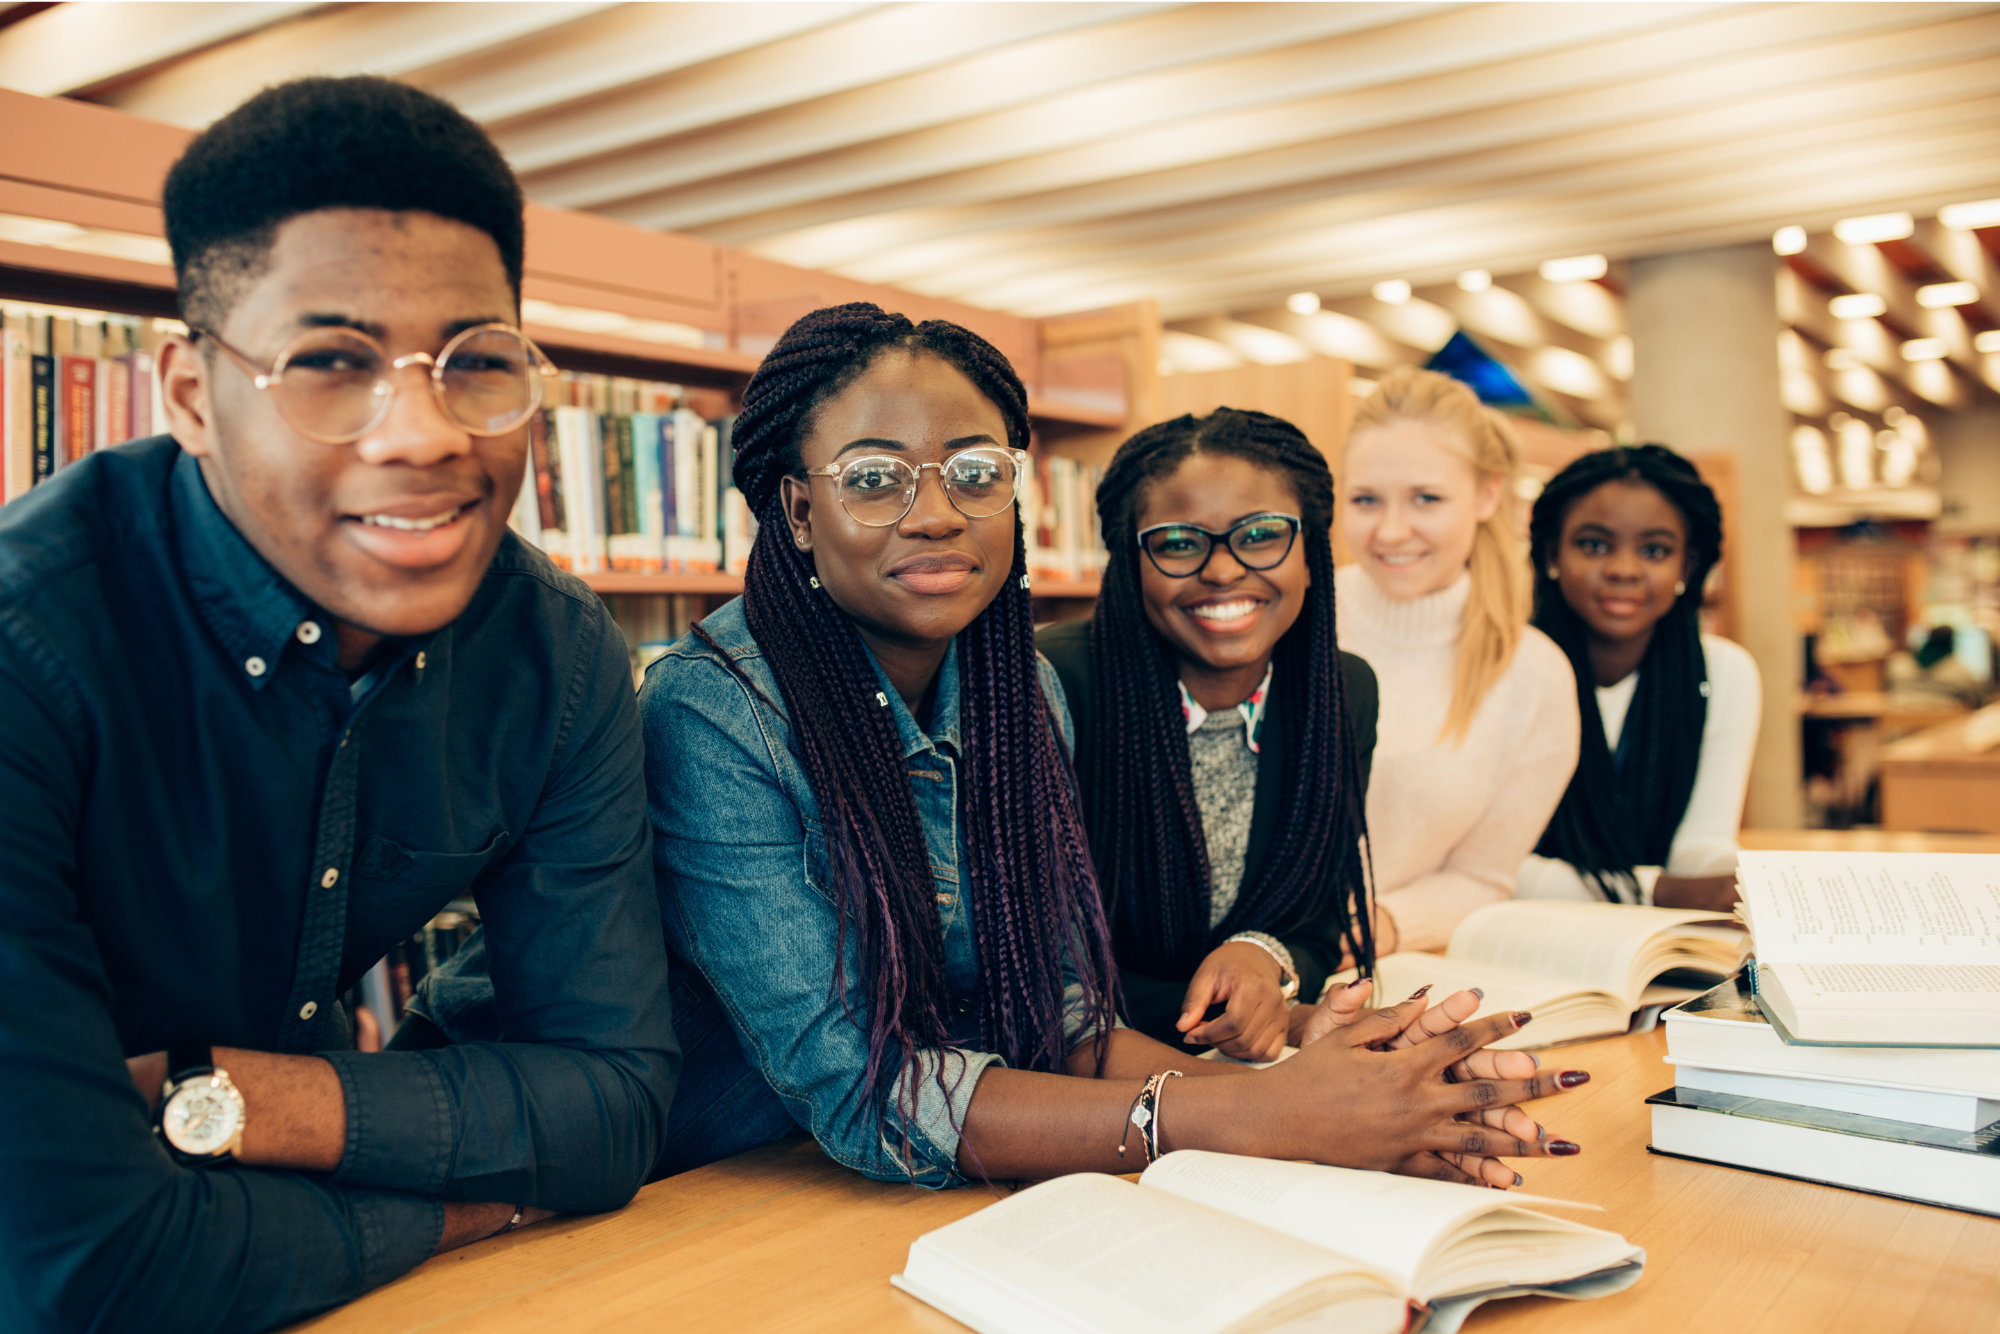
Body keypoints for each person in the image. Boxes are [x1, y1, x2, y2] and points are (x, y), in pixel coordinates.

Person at [0, 78, 678, 1333]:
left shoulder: (556, 652)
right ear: (192, 396)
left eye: (476, 362)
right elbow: (79, 1269)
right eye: (330, 363)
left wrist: (225, 1098)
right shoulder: (27, 653)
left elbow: (614, 1103)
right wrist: (472, 1206)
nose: (422, 434)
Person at [645, 303, 1584, 1194]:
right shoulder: (716, 712)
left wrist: (1334, 1111)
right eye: (874, 479)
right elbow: (870, 1087)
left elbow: (1052, 1007)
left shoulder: (1019, 693)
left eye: (974, 473)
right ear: (800, 513)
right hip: (710, 1183)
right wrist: (1267, 1118)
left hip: (911, 1174)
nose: (934, 514)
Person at [1040, 408, 1378, 1063]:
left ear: (1313, 553)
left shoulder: (1341, 692)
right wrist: (1273, 1013)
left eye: (1260, 535)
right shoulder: (1052, 684)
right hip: (1086, 1081)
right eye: (1178, 543)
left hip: (1241, 1068)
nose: (1223, 571)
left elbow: (1317, 918)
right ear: (1128, 563)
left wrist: (1261, 956)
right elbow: (1032, 968)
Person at [1337, 367, 1580, 953]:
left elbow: (1482, 878)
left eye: (1426, 498)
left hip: (1377, 973)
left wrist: (1374, 928)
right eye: (1366, 500)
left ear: (1487, 494)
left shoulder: (1533, 676)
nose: (1392, 531)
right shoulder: (1292, 615)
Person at [1516, 446, 1760, 912]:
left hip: (1663, 948)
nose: (1623, 570)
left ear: (1687, 566)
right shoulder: (1506, 671)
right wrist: (1661, 891)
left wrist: (1742, 884)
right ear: (1551, 554)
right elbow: (1497, 870)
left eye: (1654, 550)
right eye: (1594, 545)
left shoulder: (1725, 674)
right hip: (1526, 942)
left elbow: (1701, 846)